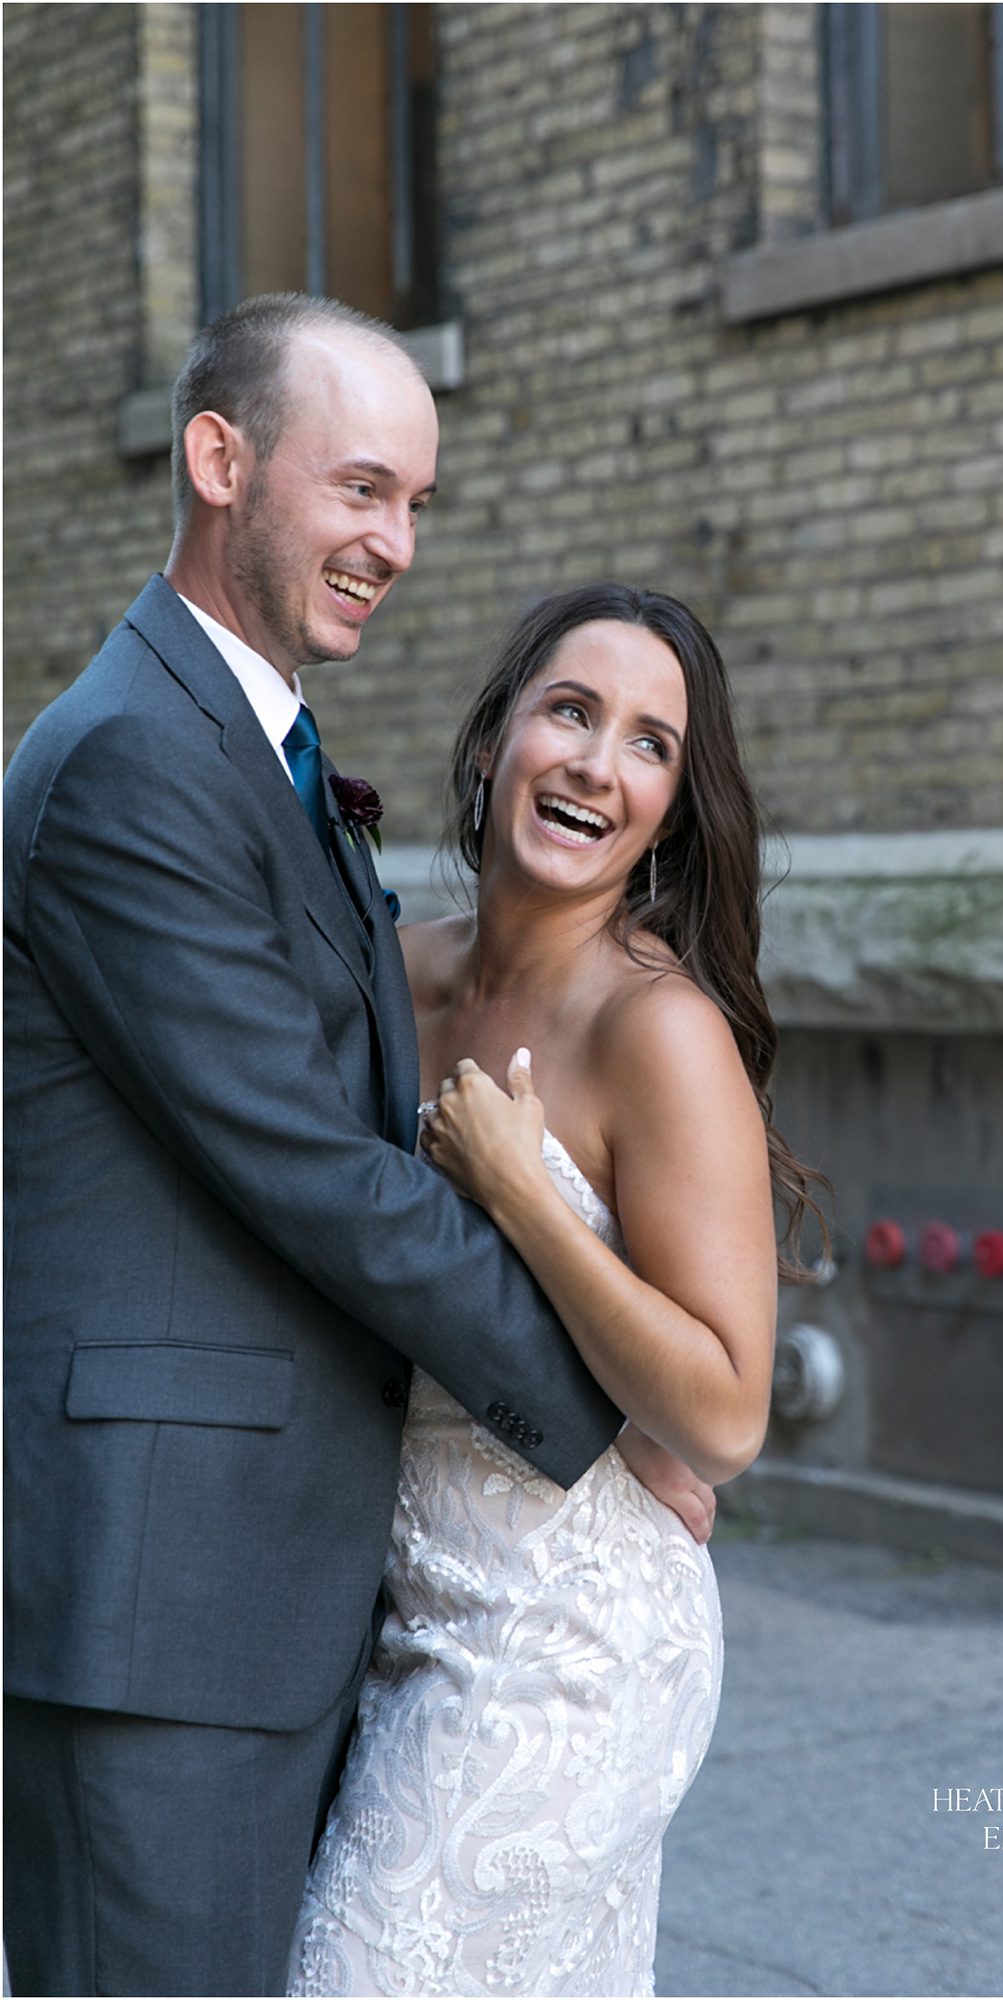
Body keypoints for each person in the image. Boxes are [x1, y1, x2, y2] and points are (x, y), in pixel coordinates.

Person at [3, 297, 708, 2000]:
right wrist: (606, 1412)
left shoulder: (252, 744)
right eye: (362, 489)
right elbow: (319, 1167)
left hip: (278, 1593)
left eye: (417, 508)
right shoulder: (134, 768)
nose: (393, 544)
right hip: (164, 1613)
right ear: (220, 459)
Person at [287, 583, 829, 1997]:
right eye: (571, 712)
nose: (598, 761)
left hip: (572, 1640)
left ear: (666, 812)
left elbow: (721, 1418)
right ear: (493, 745)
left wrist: (527, 1194)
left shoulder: (657, 1029)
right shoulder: (387, 980)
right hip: (389, 1610)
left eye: (651, 744)